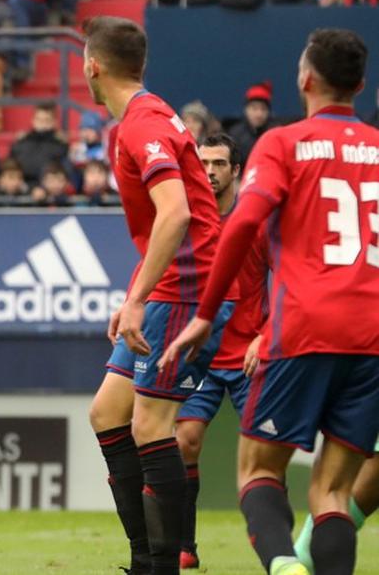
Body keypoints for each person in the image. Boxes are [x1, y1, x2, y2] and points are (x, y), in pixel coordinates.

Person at [162, 28, 379, 575]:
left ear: (305, 78)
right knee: (331, 494)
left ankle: (283, 566)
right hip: (372, 334)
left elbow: (242, 228)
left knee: (258, 473)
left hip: (304, 326)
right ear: (358, 84)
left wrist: (206, 315)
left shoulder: (283, 143)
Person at [82, 16, 229, 575]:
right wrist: (133, 294)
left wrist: (141, 298)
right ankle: (145, 558)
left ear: (93, 67)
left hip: (186, 285)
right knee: (107, 414)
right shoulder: (151, 113)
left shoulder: (140, 125)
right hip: (167, 282)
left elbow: (177, 214)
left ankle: (162, 566)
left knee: (150, 426)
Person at [171, 133, 269, 571]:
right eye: (203, 162)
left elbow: (284, 280)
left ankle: (272, 544)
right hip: (203, 356)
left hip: (252, 353)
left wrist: (265, 336)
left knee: (263, 456)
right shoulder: (187, 220)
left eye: (218, 163)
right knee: (183, 441)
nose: (209, 170)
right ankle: (185, 546)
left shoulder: (256, 221)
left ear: (236, 170)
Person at [228, 81, 274, 166]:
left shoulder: (275, 133)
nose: (259, 114)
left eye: (263, 109)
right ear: (246, 110)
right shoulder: (235, 134)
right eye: (254, 108)